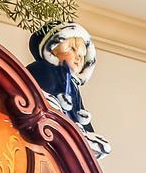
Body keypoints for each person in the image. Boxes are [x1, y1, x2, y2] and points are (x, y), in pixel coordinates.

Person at [27, 22, 111, 158]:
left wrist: (87, 130)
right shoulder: (43, 68)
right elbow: (36, 91)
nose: (79, 58)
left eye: (82, 55)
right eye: (72, 49)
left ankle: (82, 138)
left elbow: (78, 109)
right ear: (52, 51)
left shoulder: (73, 85)